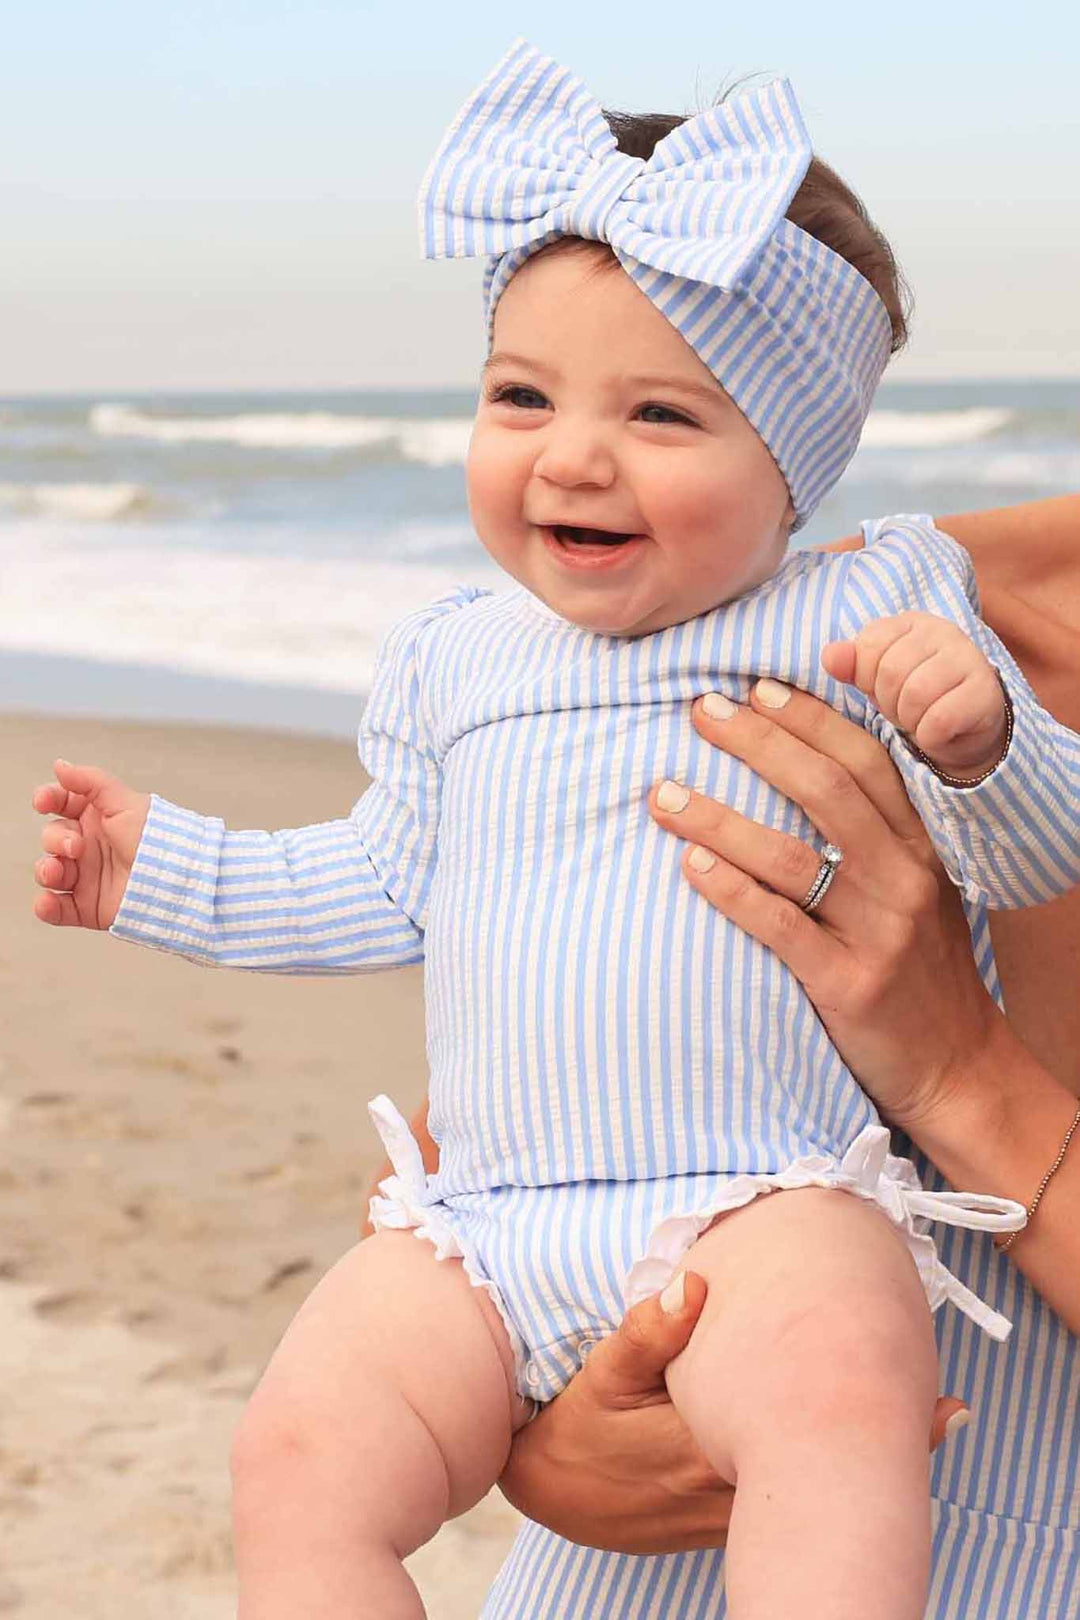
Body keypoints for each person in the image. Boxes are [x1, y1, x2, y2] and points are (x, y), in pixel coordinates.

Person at [28, 41, 1080, 1620]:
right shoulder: (460, 656)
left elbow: (1027, 858)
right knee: (298, 1454)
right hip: (489, 1225)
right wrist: (159, 867)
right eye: (522, 395)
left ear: (791, 469)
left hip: (768, 1202)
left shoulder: (875, 612)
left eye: (663, 414)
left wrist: (981, 739)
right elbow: (381, 880)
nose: (572, 454)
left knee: (836, 1407)